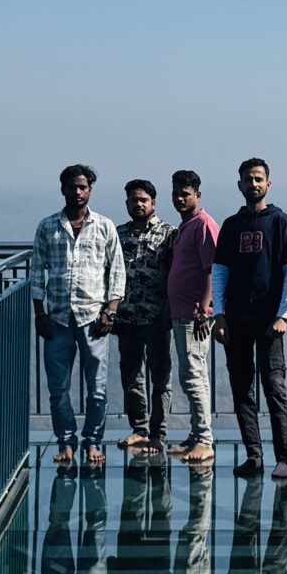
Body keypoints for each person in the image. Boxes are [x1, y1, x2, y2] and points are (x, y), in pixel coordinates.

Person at [29, 163, 124, 471]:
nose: (78, 192)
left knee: (97, 388)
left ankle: (93, 441)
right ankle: (66, 442)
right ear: (63, 189)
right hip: (56, 317)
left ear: (90, 190)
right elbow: (36, 272)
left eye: (83, 186)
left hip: (93, 317)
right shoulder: (47, 227)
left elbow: (117, 272)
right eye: (73, 186)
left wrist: (111, 310)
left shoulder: (105, 226)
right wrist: (39, 312)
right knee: (58, 388)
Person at [211, 157, 287, 481]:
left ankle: (284, 458)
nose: (254, 184)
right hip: (236, 319)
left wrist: (283, 316)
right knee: (242, 389)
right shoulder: (232, 226)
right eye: (248, 179)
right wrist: (218, 314)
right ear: (240, 185)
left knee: (274, 387)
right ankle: (254, 456)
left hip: (268, 321)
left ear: (268, 184)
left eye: (259, 178)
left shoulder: (280, 222)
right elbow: (219, 273)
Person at [114, 179, 175, 457]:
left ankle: (158, 434)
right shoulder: (117, 234)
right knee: (131, 375)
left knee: (160, 376)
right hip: (126, 317)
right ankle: (139, 429)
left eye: (143, 200)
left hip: (158, 316)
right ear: (126, 203)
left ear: (153, 203)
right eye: (133, 200)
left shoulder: (168, 234)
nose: (138, 204)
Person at [165, 170, 220, 468]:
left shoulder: (203, 225)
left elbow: (214, 268)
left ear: (198, 195)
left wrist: (203, 308)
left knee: (194, 377)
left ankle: (204, 441)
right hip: (182, 313)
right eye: (176, 193)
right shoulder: (186, 226)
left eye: (185, 193)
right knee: (191, 375)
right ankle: (195, 433)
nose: (180, 198)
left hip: (194, 315)